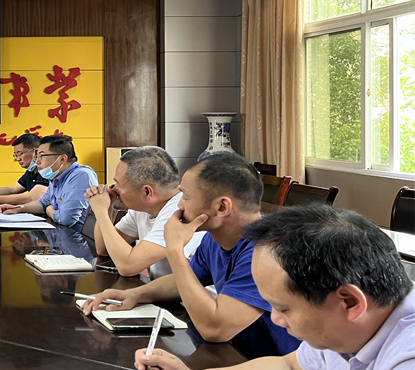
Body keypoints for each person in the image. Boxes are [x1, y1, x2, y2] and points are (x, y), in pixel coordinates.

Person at [136, 206, 415, 370]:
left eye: (283, 308)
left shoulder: (407, 366)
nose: (275, 319)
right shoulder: (347, 327)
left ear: (350, 302)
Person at [82, 152, 299, 359]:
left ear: (221, 207)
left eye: (185, 196)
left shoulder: (266, 251)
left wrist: (174, 249)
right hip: (240, 356)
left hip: (276, 369)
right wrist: (135, 294)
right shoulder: (213, 239)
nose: (179, 204)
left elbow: (215, 329)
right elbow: (182, 281)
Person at [86, 146, 205, 279]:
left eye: (118, 184)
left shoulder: (179, 211)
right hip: (160, 288)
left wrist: (100, 211)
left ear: (147, 192)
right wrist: (108, 208)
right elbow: (104, 249)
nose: (114, 189)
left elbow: (127, 266)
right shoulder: (144, 208)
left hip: (184, 291)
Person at [0, 134, 98, 233]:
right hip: (60, 234)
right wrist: (17, 209)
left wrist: (50, 210)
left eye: (41, 156)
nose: (37, 162)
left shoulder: (81, 175)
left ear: (62, 159)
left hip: (76, 239)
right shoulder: (57, 176)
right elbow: (42, 203)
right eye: (36, 157)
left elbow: (66, 219)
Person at [0, 133, 49, 205]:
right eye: (16, 155)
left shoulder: (46, 171)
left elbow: (32, 197)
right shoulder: (31, 172)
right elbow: (11, 190)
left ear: (36, 152)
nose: (18, 159)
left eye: (20, 154)